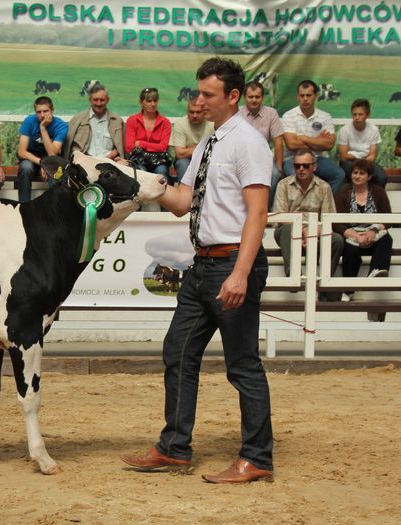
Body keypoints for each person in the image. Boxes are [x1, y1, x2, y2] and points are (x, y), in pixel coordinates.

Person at [120, 57, 275, 484]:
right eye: (198, 92)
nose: (199, 100)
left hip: (231, 264)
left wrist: (241, 273)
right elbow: (186, 200)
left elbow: (258, 212)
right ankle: (174, 448)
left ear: (232, 96)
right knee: (179, 351)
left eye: (208, 94)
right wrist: (146, 186)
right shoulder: (208, 143)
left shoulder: (247, 141)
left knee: (242, 364)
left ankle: (257, 456)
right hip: (202, 264)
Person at [272, 150, 344, 288]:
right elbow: (281, 216)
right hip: (289, 231)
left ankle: (324, 284)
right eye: (297, 166)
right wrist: (303, 230)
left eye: (305, 165)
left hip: (316, 231)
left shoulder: (324, 187)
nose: (301, 169)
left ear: (314, 167)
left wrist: (311, 232)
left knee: (337, 240)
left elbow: (328, 217)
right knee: (287, 229)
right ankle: (294, 277)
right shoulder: (283, 184)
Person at [333, 159, 393, 320]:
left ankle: (377, 271)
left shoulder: (379, 192)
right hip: (353, 234)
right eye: (354, 173)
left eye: (361, 173)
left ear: (369, 176)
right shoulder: (343, 191)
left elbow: (388, 218)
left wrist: (373, 231)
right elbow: (337, 222)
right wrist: (354, 235)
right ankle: (348, 289)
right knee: (349, 249)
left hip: (372, 232)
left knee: (387, 239)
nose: (357, 176)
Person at [281, 80, 346, 194]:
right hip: (293, 159)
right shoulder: (289, 116)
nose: (305, 99)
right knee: (297, 176)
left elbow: (329, 144)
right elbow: (291, 144)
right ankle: (299, 210)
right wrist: (318, 141)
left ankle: (325, 206)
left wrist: (303, 138)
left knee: (339, 174)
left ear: (315, 96)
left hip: (316, 159)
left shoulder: (325, 117)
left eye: (308, 95)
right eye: (302, 95)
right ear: (298, 97)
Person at [239, 80, 285, 206]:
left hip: (264, 159)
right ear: (244, 97)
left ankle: (265, 210)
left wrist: (279, 167)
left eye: (257, 97)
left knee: (275, 175)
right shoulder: (237, 114)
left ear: (262, 98)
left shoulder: (271, 113)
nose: (254, 100)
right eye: (250, 97)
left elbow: (278, 142)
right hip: (242, 159)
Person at [16, 96, 68, 202]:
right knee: (25, 167)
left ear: (52, 110)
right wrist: (42, 163)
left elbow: (53, 154)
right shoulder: (29, 121)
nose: (42, 115)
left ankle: (54, 208)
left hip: (51, 160)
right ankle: (23, 206)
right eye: (39, 112)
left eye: (46, 111)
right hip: (31, 159)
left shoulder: (61, 126)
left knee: (55, 173)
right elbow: (21, 152)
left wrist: (43, 128)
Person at [63, 83, 124, 161]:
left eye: (102, 100)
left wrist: (108, 159)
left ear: (108, 100)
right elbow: (68, 148)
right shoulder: (77, 120)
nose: (98, 103)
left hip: (110, 162)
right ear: (90, 100)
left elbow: (120, 147)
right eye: (95, 100)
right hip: (83, 163)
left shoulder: (117, 121)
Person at [123, 87, 171, 182]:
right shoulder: (132, 120)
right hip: (138, 160)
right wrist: (154, 146)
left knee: (162, 172)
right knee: (141, 173)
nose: (153, 104)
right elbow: (129, 147)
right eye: (149, 101)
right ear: (141, 102)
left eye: (155, 101)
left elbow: (163, 147)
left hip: (159, 160)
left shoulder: (165, 122)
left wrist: (141, 144)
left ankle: (164, 197)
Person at [337, 99, 386, 188]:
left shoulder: (374, 129)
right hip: (349, 162)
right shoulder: (344, 130)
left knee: (381, 177)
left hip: (366, 161)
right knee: (356, 176)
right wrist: (361, 156)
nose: (357, 117)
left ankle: (374, 200)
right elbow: (344, 156)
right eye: (354, 114)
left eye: (360, 114)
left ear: (367, 115)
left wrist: (361, 160)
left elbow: (372, 156)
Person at [170, 94, 215, 182]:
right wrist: (203, 147)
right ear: (187, 112)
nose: (194, 115)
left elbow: (216, 150)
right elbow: (179, 153)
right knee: (183, 163)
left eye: (198, 112)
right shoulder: (180, 124)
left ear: (204, 112)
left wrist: (189, 149)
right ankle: (183, 194)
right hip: (185, 159)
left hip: (207, 157)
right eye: (191, 112)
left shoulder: (212, 123)